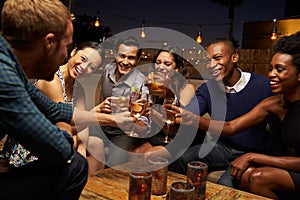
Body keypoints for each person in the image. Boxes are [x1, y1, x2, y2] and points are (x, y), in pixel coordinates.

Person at [0, 0, 134, 199]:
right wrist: (64, 127)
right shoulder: (5, 77)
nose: (65, 54)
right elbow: (60, 149)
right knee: (76, 166)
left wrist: (114, 120)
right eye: (67, 46)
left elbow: (56, 110)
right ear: (49, 42)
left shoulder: (11, 66)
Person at [170, 37, 284, 188]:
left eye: (217, 58)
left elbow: (278, 133)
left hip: (251, 151)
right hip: (220, 148)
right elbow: (189, 113)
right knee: (180, 159)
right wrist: (171, 115)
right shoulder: (207, 89)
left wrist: (265, 161)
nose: (212, 65)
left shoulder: (264, 86)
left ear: (234, 57)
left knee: (226, 182)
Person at [227, 31, 300, 199]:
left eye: (280, 70)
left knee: (258, 178)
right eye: (271, 68)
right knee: (245, 175)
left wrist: (253, 156)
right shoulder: (275, 103)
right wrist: (190, 118)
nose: (271, 74)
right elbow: (231, 127)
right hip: (292, 167)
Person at [35, 41, 106, 174]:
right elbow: (62, 121)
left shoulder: (78, 87)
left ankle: (90, 187)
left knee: (97, 144)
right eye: (83, 59)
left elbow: (82, 124)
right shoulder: (52, 78)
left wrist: (82, 148)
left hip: (61, 133)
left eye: (92, 67)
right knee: (71, 141)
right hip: (34, 140)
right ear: (73, 52)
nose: (84, 67)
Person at [129, 45, 198, 159]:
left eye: (167, 64)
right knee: (134, 153)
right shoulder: (155, 87)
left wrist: (151, 112)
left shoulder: (187, 89)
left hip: (180, 138)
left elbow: (178, 128)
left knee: (149, 155)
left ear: (177, 69)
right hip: (161, 135)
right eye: (158, 62)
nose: (160, 67)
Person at [91, 36, 150, 166]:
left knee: (114, 165)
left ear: (138, 60)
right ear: (115, 55)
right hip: (103, 124)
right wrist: (102, 109)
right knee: (78, 138)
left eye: (131, 58)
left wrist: (134, 116)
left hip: (123, 132)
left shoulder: (141, 84)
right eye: (121, 56)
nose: (125, 61)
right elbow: (102, 93)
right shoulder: (108, 69)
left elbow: (144, 124)